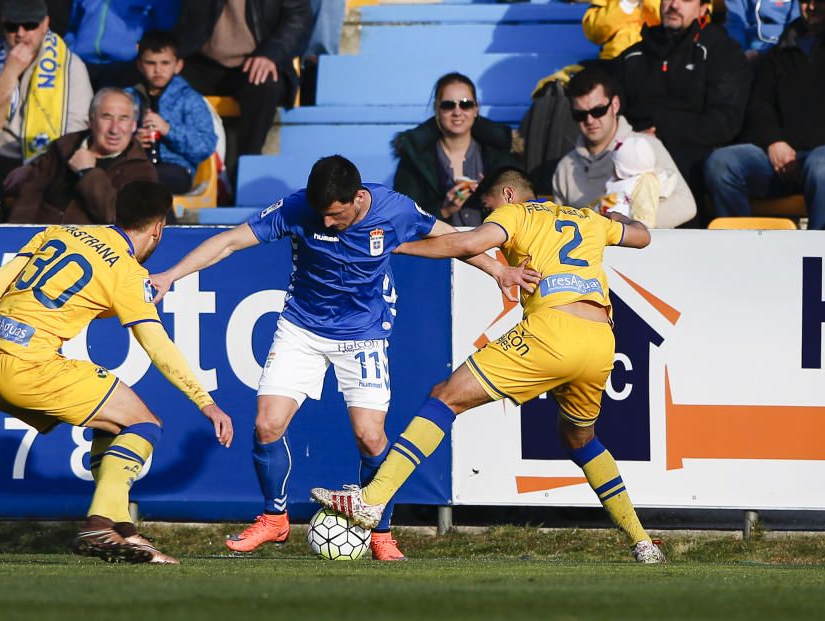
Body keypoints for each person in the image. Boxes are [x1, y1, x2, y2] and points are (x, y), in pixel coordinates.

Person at [148, 155, 538, 560]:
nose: (328, 223)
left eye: (335, 215)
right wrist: (169, 275)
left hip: (363, 334)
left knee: (370, 437)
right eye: (322, 216)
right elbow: (228, 241)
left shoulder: (395, 209)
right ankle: (274, 519)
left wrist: (498, 271)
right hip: (302, 327)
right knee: (267, 425)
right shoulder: (298, 207)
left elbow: (455, 240)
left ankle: (381, 534)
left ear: (358, 198)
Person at [312, 167, 667, 565]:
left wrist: (397, 248)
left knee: (445, 397)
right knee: (578, 438)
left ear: (509, 195)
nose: (488, 216)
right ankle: (642, 542)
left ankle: (372, 501)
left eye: (488, 207)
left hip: (552, 332)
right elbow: (643, 236)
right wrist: (619, 219)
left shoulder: (516, 214)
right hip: (602, 339)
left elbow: (467, 243)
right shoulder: (586, 218)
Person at [0, 180, 234, 565]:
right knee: (144, 424)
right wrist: (205, 402)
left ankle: (121, 528)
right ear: (158, 228)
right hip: (32, 368)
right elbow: (158, 347)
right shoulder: (127, 272)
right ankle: (101, 522)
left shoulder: (64, 232)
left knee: (112, 423)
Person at [704, 0, 825, 230]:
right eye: (805, 1)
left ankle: (821, 254)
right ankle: (740, 250)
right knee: (722, 163)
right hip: (786, 158)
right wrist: (773, 141)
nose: (811, 7)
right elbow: (759, 104)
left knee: (822, 163)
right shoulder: (781, 49)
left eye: (819, 1)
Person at [613, 0, 751, 215]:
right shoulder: (633, 56)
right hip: (634, 153)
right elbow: (612, 112)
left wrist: (660, 133)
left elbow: (724, 122)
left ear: (704, 8)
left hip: (693, 156)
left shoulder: (722, 52)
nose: (674, 5)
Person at [553, 65, 695, 228]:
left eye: (598, 111)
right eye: (580, 114)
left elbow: (686, 205)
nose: (590, 120)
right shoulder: (564, 168)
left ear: (615, 104)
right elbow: (559, 227)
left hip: (646, 249)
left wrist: (630, 227)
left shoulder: (645, 147)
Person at [0, 0, 93, 179]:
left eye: (30, 25)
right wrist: (8, 75)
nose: (20, 33)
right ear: (2, 24)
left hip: (48, 167)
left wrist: (34, 168)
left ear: (45, 24)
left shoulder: (71, 67)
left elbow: (74, 137)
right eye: (12, 26)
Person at [175, 0, 312, 157]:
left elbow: (298, 16)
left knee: (265, 85)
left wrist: (270, 54)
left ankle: (247, 161)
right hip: (202, 62)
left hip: (255, 62)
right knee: (155, 73)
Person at [9, 87, 157, 225]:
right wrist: (19, 236)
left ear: (133, 125)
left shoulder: (141, 169)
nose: (114, 129)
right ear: (91, 121)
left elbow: (117, 217)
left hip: (89, 248)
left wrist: (88, 173)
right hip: (40, 239)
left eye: (123, 119)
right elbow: (30, 194)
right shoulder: (65, 146)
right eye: (107, 117)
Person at [393, 72, 520, 227]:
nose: (457, 112)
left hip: (493, 247)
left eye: (465, 104)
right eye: (448, 105)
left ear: (476, 109)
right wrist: (443, 210)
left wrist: (490, 194)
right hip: (437, 248)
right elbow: (402, 218)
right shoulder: (414, 160)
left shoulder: (500, 155)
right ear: (437, 109)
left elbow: (523, 210)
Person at [126, 30, 221, 195]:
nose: (158, 70)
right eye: (150, 63)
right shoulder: (127, 97)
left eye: (165, 63)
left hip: (176, 169)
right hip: (133, 166)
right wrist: (132, 142)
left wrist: (168, 130)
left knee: (148, 181)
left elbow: (205, 147)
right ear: (139, 65)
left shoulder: (190, 99)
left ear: (178, 65)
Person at [65, 0, 179, 89]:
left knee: (112, 114)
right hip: (82, 61)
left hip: (125, 66)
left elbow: (165, 31)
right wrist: (71, 46)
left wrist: (141, 52)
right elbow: (72, 21)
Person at [582, 0, 661, 60]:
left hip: (656, 62)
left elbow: (671, 25)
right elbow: (595, 32)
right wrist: (628, 3)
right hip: (613, 62)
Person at [725, 0, 801, 59]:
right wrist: (742, 55)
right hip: (753, 48)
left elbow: (797, 24)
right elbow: (735, 25)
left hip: (788, 48)